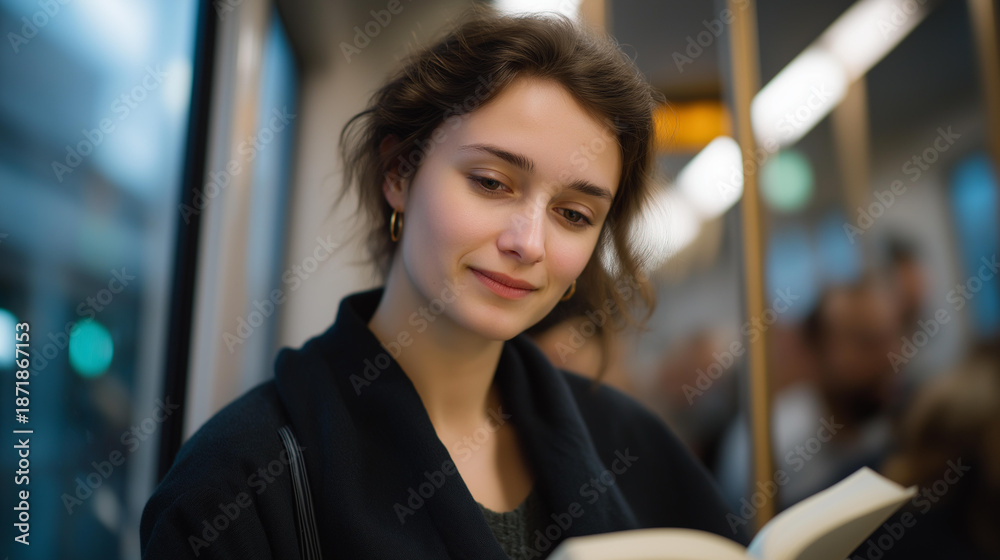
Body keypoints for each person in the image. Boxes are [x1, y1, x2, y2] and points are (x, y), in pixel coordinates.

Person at [140, 8, 744, 559]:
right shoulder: (239, 483)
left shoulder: (636, 449)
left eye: (574, 215)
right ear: (400, 172)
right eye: (491, 182)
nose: (527, 243)